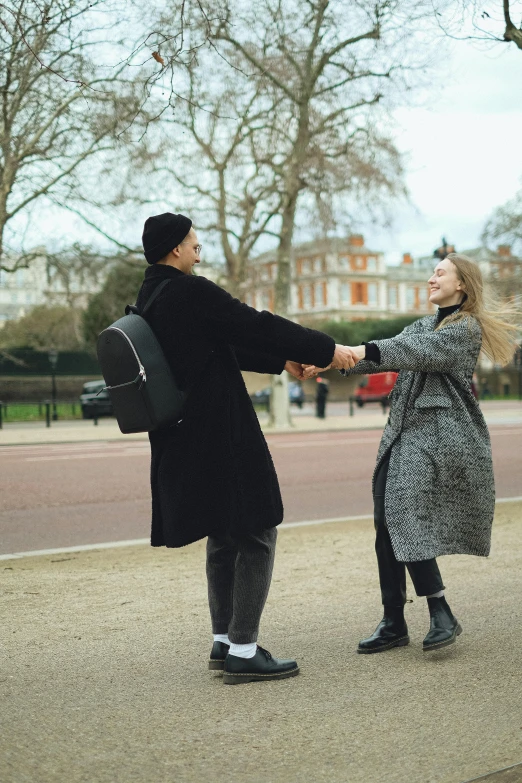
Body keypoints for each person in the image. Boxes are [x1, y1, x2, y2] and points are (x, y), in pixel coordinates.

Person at [137, 212, 358, 684]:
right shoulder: (190, 291)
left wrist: (282, 360)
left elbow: (223, 344)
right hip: (220, 431)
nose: (199, 247)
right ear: (176, 247)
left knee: (223, 531)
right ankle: (244, 649)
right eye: (193, 240)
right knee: (257, 526)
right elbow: (253, 323)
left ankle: (225, 640)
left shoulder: (151, 297)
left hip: (184, 433)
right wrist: (325, 349)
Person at [304, 253, 518, 653]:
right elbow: (392, 351)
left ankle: (440, 610)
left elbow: (413, 352)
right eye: (432, 272)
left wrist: (352, 347)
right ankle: (393, 621)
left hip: (443, 434)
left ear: (463, 285)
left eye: (440, 273)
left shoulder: (464, 328)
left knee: (400, 511)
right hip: (406, 433)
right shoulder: (422, 324)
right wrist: (330, 360)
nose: (431, 278)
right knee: (384, 520)